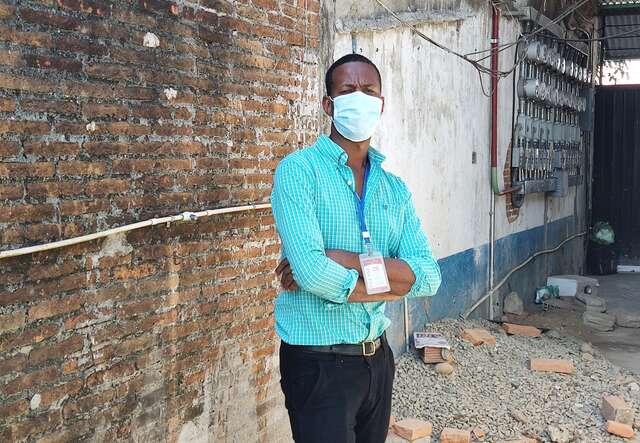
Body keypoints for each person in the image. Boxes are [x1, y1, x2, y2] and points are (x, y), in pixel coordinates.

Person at [271, 53, 442, 443]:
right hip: (318, 363)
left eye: (369, 90)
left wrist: (340, 259)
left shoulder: (393, 189)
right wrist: (394, 280)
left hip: (378, 361)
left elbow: (429, 276)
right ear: (328, 105)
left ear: (381, 104)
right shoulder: (299, 172)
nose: (359, 98)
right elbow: (311, 273)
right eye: (348, 90)